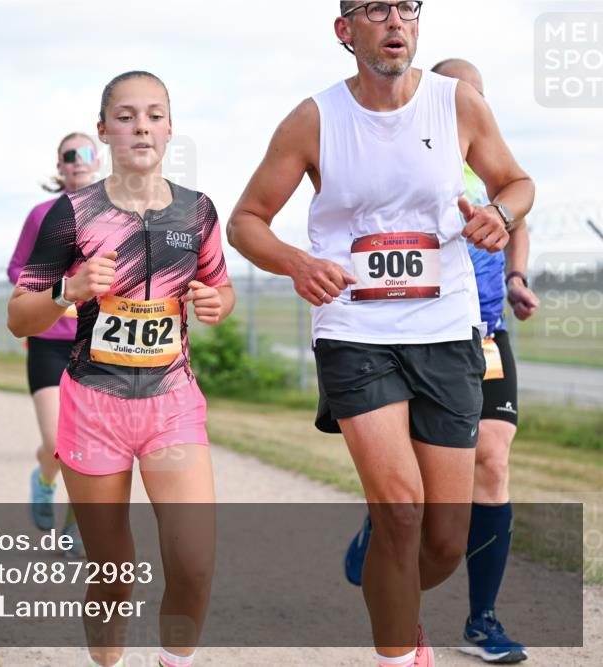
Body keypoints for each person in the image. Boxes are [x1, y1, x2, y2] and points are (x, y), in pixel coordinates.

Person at [226, 3, 534, 666]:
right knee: (399, 508)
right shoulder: (314, 119)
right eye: (374, 8)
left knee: (444, 538)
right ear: (346, 31)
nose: (394, 20)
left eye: (406, 7)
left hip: (448, 330)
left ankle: (389, 584)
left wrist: (500, 213)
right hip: (354, 328)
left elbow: (517, 181)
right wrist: (296, 262)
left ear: (416, 25)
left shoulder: (458, 104)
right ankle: (399, 650)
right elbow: (246, 220)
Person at [8, 70, 235, 667]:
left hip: (172, 405)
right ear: (105, 127)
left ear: (170, 128)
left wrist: (216, 303)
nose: (142, 126)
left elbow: (220, 288)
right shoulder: (71, 214)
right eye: (127, 115)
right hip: (94, 405)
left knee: (193, 561)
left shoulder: (198, 211)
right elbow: (19, 318)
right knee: (114, 574)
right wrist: (69, 288)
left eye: (155, 114)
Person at [343, 58, 540, 665]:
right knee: (416, 490)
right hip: (419, 334)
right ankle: (399, 578)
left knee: (494, 461)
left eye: (477, 97)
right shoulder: (409, 155)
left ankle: (482, 620)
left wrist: (515, 276)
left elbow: (519, 217)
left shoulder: (490, 165)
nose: (467, 106)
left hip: (485, 332)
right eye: (457, 95)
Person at [8, 131, 101, 553]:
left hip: (99, 343)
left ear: (98, 160)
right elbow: (18, 271)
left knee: (90, 445)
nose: (79, 160)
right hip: (48, 342)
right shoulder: (42, 215)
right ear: (59, 165)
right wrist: (59, 291)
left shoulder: (119, 214)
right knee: (57, 443)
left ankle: (76, 527)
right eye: (70, 155)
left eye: (86, 153)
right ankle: (44, 479)